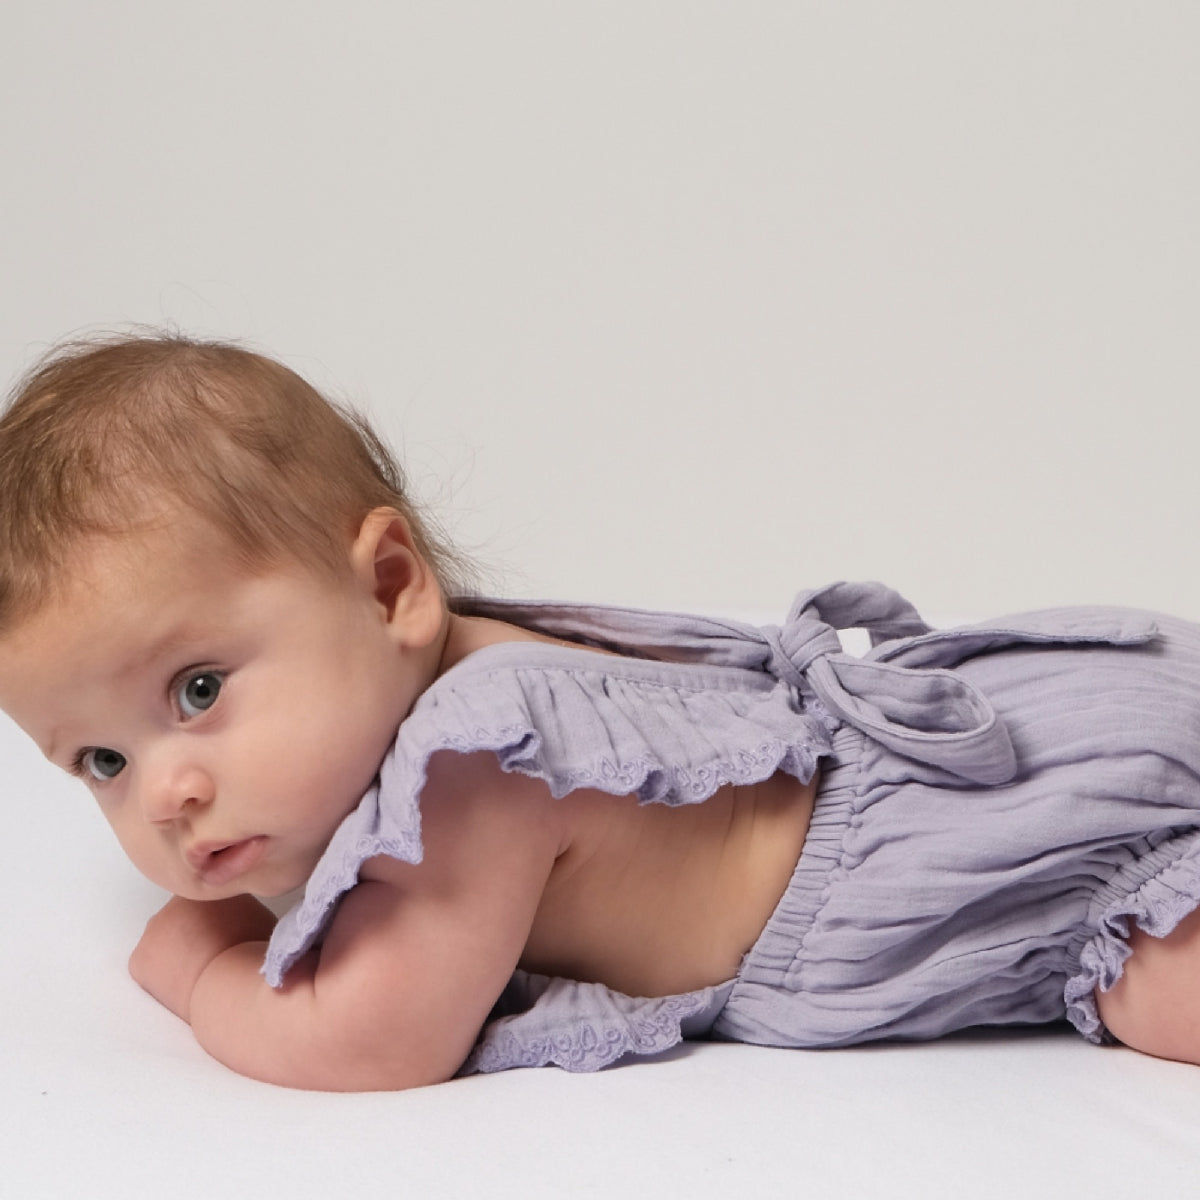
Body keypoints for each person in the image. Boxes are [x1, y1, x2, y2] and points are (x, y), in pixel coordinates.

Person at [1, 333, 1198, 1092]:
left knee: (1157, 982)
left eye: (198, 692)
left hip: (957, 860)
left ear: (388, 588)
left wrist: (201, 969)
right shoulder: (457, 666)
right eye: (100, 758)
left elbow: (370, 1044)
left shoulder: (472, 768)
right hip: (975, 757)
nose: (167, 792)